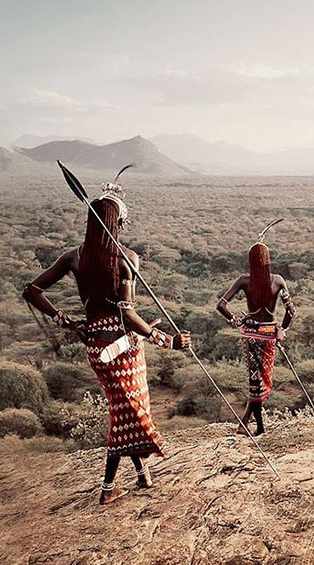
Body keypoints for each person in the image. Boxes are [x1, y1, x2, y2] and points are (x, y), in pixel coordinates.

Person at [23, 175, 191, 505]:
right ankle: (108, 487)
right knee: (126, 412)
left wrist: (70, 323)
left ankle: (142, 474)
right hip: (125, 349)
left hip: (96, 347)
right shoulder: (127, 258)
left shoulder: (74, 257)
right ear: (120, 223)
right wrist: (166, 340)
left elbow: (32, 290)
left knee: (126, 409)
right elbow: (128, 316)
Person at [216, 222, 295, 436]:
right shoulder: (277, 281)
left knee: (254, 380)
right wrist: (282, 330)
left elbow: (221, 305)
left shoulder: (244, 281)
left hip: (250, 335)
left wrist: (237, 321)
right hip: (269, 334)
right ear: (268, 261)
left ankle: (254, 426)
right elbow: (291, 311)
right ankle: (252, 424)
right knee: (260, 380)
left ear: (250, 261)